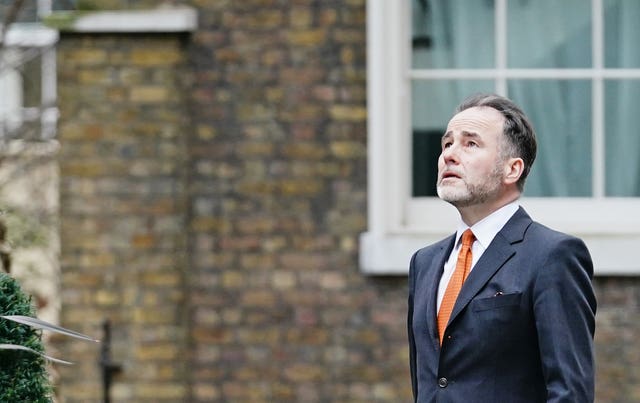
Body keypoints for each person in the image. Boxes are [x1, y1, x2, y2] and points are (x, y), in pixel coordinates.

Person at [407, 93, 597, 402]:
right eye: (447, 143)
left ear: (512, 169)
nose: (450, 155)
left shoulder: (552, 256)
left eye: (470, 143)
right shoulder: (424, 263)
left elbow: (570, 393)